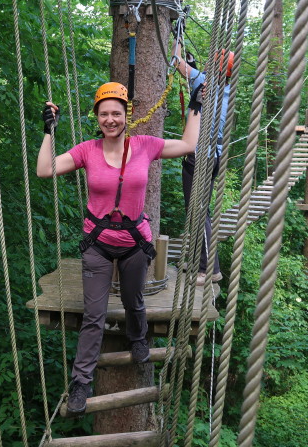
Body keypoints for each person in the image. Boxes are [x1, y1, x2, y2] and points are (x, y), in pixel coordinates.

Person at [37, 82, 201, 414]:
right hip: (97, 244)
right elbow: (44, 170)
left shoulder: (145, 145)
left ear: (126, 115)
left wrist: (195, 107)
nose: (110, 120)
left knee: (133, 301)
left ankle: (138, 338)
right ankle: (81, 382)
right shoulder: (87, 150)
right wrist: (48, 132)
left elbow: (187, 144)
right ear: (96, 117)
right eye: (104, 114)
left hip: (135, 243)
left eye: (116, 113)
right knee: (94, 316)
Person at [173, 46, 229, 286]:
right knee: (200, 210)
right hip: (213, 155)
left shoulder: (205, 82)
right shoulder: (226, 89)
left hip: (200, 156)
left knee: (197, 212)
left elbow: (177, 61)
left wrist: (178, 31)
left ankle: (209, 269)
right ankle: (200, 262)